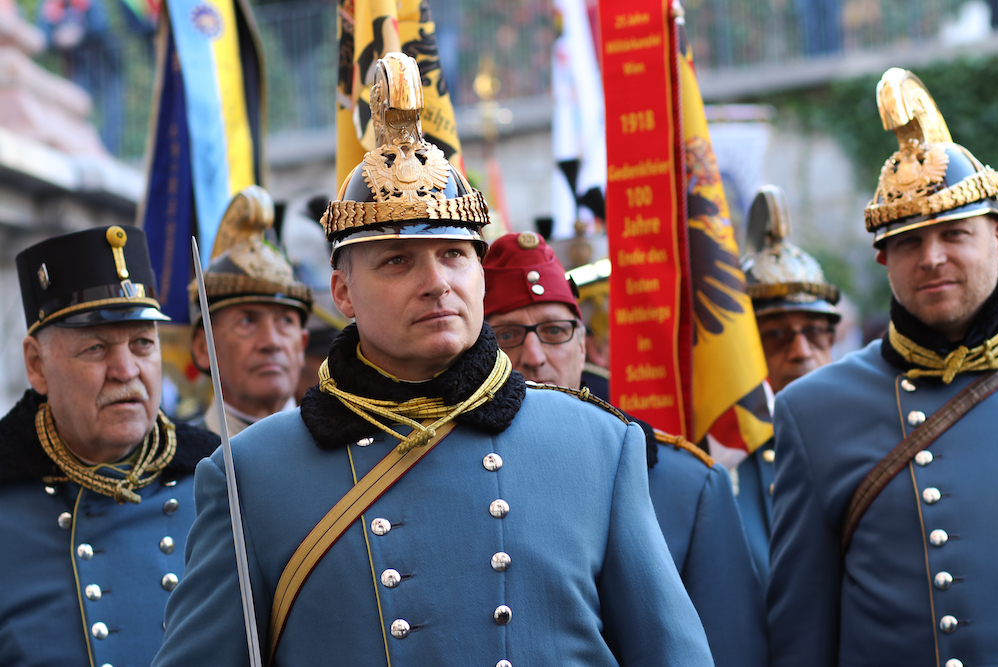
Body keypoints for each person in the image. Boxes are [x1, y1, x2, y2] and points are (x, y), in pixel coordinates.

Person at [153, 53, 713, 667]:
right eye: (397, 260)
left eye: (453, 253)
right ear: (342, 292)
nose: (436, 282)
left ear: (478, 273)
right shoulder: (249, 475)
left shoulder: (598, 446)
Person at [768, 67, 998, 667]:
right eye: (908, 242)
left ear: (997, 236)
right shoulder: (813, 411)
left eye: (955, 233)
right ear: (883, 258)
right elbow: (802, 632)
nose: (932, 258)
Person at [482, 231, 767, 667]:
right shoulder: (451, 471)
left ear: (582, 345)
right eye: (507, 335)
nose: (535, 356)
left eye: (555, 331)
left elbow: (729, 649)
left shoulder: (689, 485)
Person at [0, 225, 219, 666]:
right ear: (36, 365)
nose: (126, 370)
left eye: (142, 344)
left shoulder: (219, 483)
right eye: (96, 348)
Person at [736, 184, 841, 578]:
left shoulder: (866, 431)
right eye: (777, 335)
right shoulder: (724, 450)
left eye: (815, 331)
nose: (801, 351)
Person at [188, 185, 313, 436]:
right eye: (247, 321)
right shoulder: (179, 462)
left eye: (285, 321)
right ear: (204, 347)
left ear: (301, 344)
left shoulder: (343, 453)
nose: (271, 342)